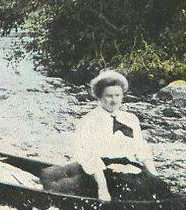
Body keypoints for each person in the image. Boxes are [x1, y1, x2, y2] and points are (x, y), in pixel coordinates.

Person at [40, 70, 172, 202]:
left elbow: (141, 149)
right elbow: (89, 156)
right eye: (109, 96)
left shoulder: (131, 118)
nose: (114, 101)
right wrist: (102, 188)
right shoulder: (89, 121)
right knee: (128, 190)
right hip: (102, 171)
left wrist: (154, 176)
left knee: (162, 189)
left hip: (131, 168)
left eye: (117, 95)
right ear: (99, 97)